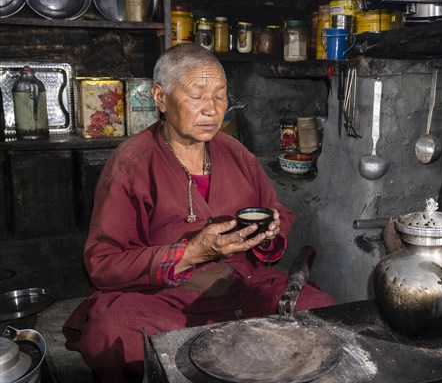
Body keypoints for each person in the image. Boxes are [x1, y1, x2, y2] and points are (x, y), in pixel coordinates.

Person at [63, 43, 336, 382]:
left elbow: (274, 211)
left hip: (242, 284)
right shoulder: (131, 164)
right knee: (112, 332)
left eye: (221, 97)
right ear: (161, 98)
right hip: (164, 297)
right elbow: (103, 263)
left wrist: (268, 233)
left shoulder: (236, 154)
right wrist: (191, 253)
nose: (212, 110)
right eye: (197, 96)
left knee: (324, 311)